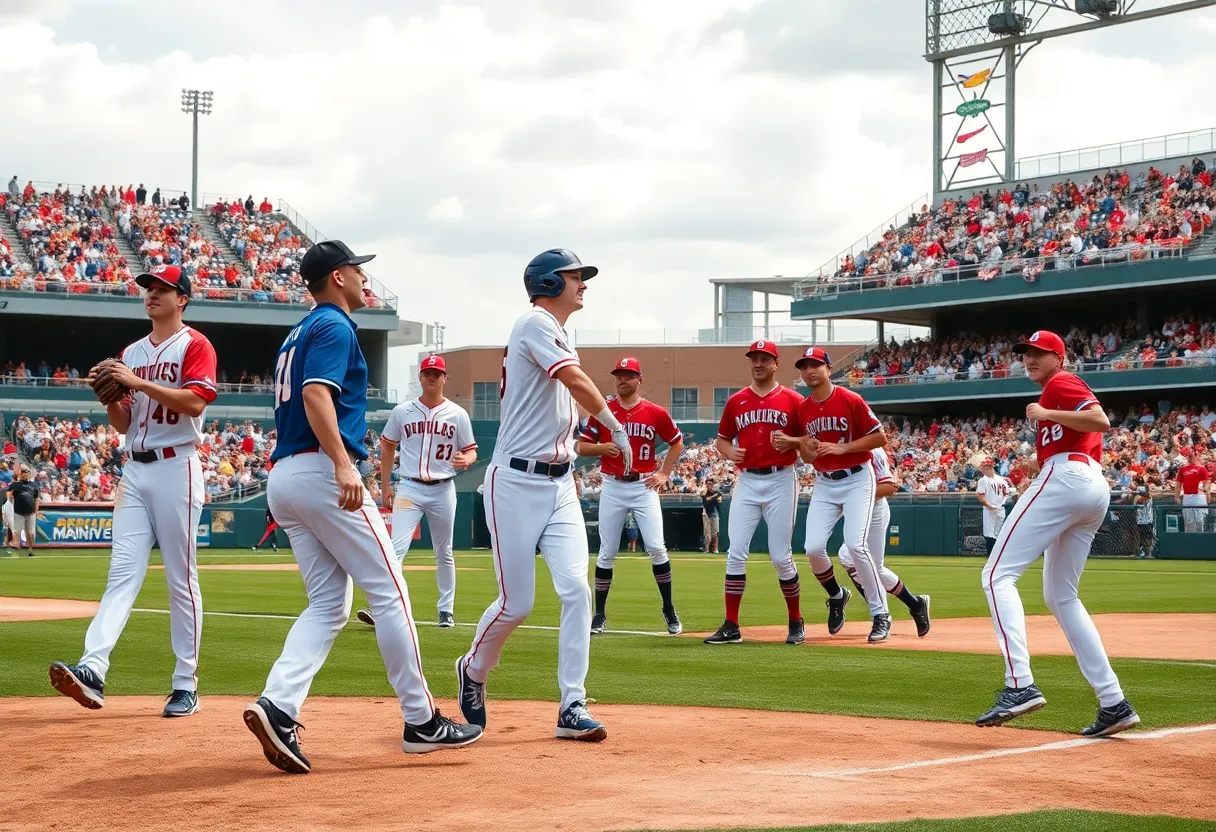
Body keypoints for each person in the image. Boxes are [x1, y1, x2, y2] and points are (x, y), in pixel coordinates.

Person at [244, 240, 480, 774]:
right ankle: (421, 721)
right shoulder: (333, 325)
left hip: (287, 475)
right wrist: (343, 465)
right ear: (336, 278)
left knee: (328, 606)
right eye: (355, 269)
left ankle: (278, 705)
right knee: (391, 592)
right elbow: (316, 396)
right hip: (323, 470)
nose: (363, 277)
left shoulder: (298, 330)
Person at [456, 248, 629, 743]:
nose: (584, 285)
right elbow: (575, 381)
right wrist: (616, 427)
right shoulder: (534, 322)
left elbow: (560, 415)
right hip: (513, 483)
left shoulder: (555, 331)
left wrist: (589, 440)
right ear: (550, 283)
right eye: (577, 277)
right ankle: (473, 667)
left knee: (577, 590)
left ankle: (572, 705)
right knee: (517, 604)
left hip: (560, 484)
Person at [48, 264, 217, 718]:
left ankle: (185, 683)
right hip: (135, 470)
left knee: (180, 579)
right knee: (121, 573)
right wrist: (109, 399)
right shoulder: (132, 352)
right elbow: (125, 422)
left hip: (176, 466)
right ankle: (92, 668)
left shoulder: (194, 344)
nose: (152, 294)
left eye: (163, 288)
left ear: (182, 298)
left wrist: (136, 382)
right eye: (148, 288)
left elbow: (196, 402)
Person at [977, 329, 1139, 738]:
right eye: (1026, 353)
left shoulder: (1061, 382)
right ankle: (1113, 701)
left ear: (1058, 357)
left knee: (996, 575)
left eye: (1039, 353)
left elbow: (1100, 419)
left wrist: (1048, 416)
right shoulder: (1054, 390)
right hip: (1086, 483)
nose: (1030, 359)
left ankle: (1020, 685)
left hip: (1068, 477)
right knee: (1061, 596)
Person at [778, 346, 892, 642]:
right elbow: (809, 458)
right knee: (813, 548)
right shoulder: (803, 408)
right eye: (804, 367)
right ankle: (838, 594)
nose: (809, 370)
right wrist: (800, 445)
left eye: (815, 364)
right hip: (825, 481)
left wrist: (843, 447)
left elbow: (880, 436)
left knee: (856, 545)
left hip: (857, 477)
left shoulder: (849, 398)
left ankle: (880, 614)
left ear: (829, 368)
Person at [357, 354, 476, 629]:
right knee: (394, 550)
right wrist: (385, 485)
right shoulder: (402, 411)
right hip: (409, 486)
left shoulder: (458, 414)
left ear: (445, 378)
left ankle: (446, 610)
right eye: (427, 373)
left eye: (437, 373)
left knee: (444, 551)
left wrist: (467, 461)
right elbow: (387, 446)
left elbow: (471, 451)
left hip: (443, 487)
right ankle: (385, 609)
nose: (432, 377)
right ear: (420, 377)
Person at [703, 341, 807, 646]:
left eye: (764, 359)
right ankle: (732, 625)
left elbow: (808, 439)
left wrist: (793, 442)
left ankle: (796, 620)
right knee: (735, 553)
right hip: (747, 480)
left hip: (781, 479)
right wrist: (729, 453)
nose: (758, 363)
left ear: (776, 363)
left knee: (780, 556)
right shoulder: (737, 401)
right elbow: (722, 441)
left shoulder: (793, 399)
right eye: (754, 358)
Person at [577, 356, 684, 636]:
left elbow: (676, 442)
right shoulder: (603, 411)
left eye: (628, 375)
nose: (622, 380)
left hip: (642, 484)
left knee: (657, 547)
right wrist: (604, 448)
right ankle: (599, 614)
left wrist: (664, 473)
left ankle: (669, 608)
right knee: (607, 551)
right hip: (613, 484)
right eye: (618, 375)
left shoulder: (654, 412)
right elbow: (581, 447)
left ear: (639, 379)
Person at [835, 448, 931, 637]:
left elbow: (889, 488)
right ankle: (913, 604)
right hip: (856, 511)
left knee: (873, 567)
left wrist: (854, 497)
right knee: (847, 556)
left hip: (875, 511)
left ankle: (898, 609)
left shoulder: (874, 449)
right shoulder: (839, 446)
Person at [975, 458, 1012, 555]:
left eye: (984, 467)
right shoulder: (1002, 479)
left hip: (990, 508)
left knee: (989, 534)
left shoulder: (983, 480)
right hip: (1001, 508)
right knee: (998, 533)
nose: (982, 469)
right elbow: (1008, 495)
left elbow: (981, 497)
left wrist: (989, 505)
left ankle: (992, 556)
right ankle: (998, 556)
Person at [1176, 452, 1211, 534]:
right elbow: (1178, 484)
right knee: (1189, 523)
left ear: (1197, 457)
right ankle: (1189, 542)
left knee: (1200, 523)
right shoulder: (1182, 469)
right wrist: (1176, 496)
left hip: (1199, 497)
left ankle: (1200, 542)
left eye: (1193, 456)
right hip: (1187, 497)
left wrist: (1207, 495)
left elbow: (1206, 483)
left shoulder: (1201, 468)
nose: (1191, 458)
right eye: (1189, 456)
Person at [9, 466, 39, 556]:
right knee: (17, 530)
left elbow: (36, 499)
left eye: (27, 475)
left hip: (30, 512)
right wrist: (12, 502)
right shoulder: (15, 485)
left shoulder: (33, 485)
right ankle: (16, 546)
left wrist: (36, 511)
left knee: (30, 532)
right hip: (18, 512)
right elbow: (10, 494)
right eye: (24, 475)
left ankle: (30, 549)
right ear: (21, 475)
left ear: (29, 475)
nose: (26, 477)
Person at [701, 481, 721, 553]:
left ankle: (715, 548)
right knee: (707, 532)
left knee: (715, 532)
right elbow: (706, 500)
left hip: (714, 513)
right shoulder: (704, 492)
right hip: (706, 513)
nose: (710, 485)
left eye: (711, 484)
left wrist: (712, 497)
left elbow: (719, 494)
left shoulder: (716, 492)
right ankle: (707, 549)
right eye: (708, 484)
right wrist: (713, 497)